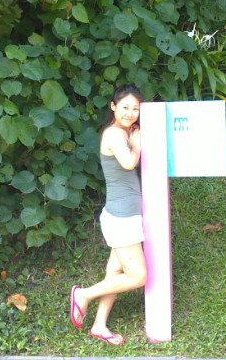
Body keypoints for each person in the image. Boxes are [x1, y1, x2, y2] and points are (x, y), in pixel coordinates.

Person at [69, 84, 148, 346]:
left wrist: (133, 140)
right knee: (138, 276)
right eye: (125, 107)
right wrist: (136, 146)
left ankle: (99, 326)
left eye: (135, 109)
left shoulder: (125, 132)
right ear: (113, 107)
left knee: (114, 272)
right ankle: (83, 295)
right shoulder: (114, 134)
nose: (130, 113)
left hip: (125, 215)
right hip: (121, 217)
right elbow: (128, 163)